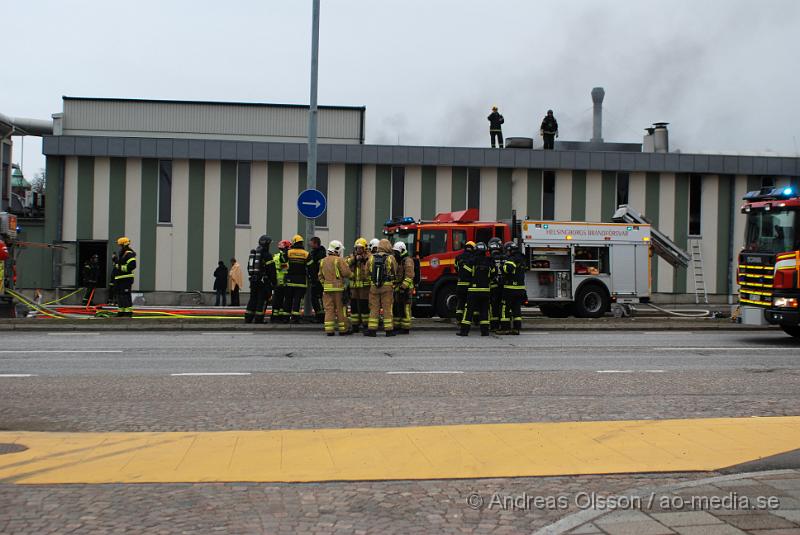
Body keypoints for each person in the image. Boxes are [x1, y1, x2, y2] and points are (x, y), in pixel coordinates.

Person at [458, 242, 493, 337]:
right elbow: (494, 274)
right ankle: (485, 332)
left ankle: (464, 331)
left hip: (473, 291)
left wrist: (462, 265)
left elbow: (466, 273)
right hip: (486, 291)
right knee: (484, 311)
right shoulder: (489, 261)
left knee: (468, 311)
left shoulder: (472, 261)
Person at [319, 240, 352, 336]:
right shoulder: (339, 260)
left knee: (329, 310)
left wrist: (325, 285)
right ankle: (343, 330)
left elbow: (320, 276)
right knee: (341, 309)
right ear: (337, 250)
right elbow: (346, 273)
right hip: (338, 290)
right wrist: (352, 275)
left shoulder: (323, 261)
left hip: (327, 290)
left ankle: (329, 330)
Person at [365, 238, 397, 337]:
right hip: (387, 287)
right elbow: (394, 271)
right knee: (387, 308)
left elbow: (366, 273)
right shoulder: (390, 258)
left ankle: (372, 330)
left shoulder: (371, 257)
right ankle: (388, 330)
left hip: (374, 287)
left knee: (374, 308)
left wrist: (372, 281)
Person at [244, 235, 277, 324]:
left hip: (253, 281)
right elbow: (272, 270)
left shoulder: (254, 254)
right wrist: (274, 283)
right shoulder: (267, 255)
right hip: (263, 282)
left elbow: (248, 268)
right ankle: (259, 319)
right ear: (267, 244)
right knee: (262, 300)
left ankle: (248, 318)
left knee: (252, 299)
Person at [500, 241, 527, 335]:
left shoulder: (512, 259)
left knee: (505, 308)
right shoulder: (522, 259)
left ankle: (505, 328)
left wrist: (502, 266)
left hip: (510, 288)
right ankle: (516, 329)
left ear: (510, 250)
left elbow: (508, 269)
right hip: (520, 289)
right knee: (516, 309)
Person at [286, 234, 313, 323]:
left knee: (288, 299)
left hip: (290, 280)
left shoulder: (289, 252)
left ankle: (286, 317)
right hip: (301, 281)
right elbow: (310, 268)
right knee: (298, 299)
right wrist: (311, 278)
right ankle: (295, 317)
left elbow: (282, 261)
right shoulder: (306, 254)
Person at [346, 237, 371, 332]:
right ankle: (355, 326)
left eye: (360, 248)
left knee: (364, 307)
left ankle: (365, 326)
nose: (359, 250)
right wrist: (354, 259)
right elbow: (345, 264)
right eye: (357, 248)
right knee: (354, 307)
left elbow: (371, 264)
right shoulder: (352, 256)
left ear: (365, 248)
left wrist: (364, 259)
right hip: (354, 287)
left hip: (364, 288)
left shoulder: (369, 257)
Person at [392, 241, 415, 334]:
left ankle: (405, 328)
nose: (395, 254)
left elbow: (409, 275)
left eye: (396, 252)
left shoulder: (407, 260)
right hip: (398, 288)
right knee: (398, 308)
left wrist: (403, 287)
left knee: (405, 308)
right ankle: (397, 326)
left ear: (402, 250)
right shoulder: (399, 260)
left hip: (406, 290)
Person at [113, 237, 137, 317]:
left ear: (124, 245)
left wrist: (119, 267)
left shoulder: (129, 253)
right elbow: (119, 264)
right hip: (119, 278)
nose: (119, 247)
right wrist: (115, 261)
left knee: (125, 295)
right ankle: (121, 311)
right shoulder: (122, 253)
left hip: (126, 278)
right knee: (119, 295)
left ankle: (128, 312)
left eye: (120, 245)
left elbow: (132, 266)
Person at [454, 241, 475, 324]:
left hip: (460, 284)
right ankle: (469, 320)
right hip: (470, 284)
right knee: (469, 303)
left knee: (461, 302)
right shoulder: (474, 257)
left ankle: (459, 320)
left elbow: (456, 269)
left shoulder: (458, 257)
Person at [487, 238, 505, 332]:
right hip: (504, 286)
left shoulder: (489, 259)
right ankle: (504, 325)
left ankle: (494, 325)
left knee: (493, 306)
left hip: (493, 286)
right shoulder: (505, 258)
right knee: (503, 305)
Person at [271, 239, 291, 323]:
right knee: (284, 301)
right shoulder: (285, 258)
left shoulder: (275, 256)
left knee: (276, 300)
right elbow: (287, 269)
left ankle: (275, 316)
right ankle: (282, 317)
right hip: (284, 282)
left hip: (277, 282)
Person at [308, 237, 327, 323]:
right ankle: (319, 315)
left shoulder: (320, 254)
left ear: (315, 243)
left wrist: (315, 278)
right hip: (315, 278)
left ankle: (320, 316)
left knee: (317, 298)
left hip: (318, 279)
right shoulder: (315, 253)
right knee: (315, 298)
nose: (309, 244)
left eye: (311, 242)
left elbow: (317, 267)